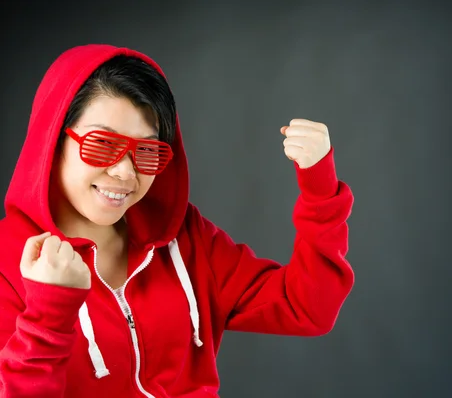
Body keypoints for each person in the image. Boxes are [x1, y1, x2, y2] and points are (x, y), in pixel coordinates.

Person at [0, 44, 354, 397]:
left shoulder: (184, 238)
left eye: (147, 151)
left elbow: (307, 307)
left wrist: (320, 189)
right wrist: (48, 314)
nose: (125, 172)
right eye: (102, 143)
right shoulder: (7, 265)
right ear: (53, 138)